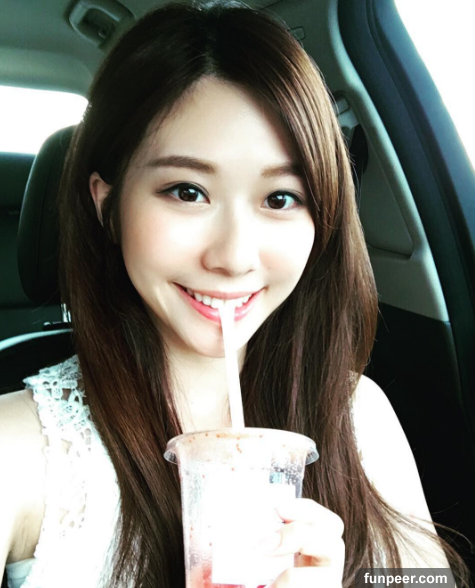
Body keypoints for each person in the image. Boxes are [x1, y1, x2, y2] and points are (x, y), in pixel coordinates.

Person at [0, 1, 472, 587]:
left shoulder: (359, 415)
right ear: (107, 204)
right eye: (187, 191)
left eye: (280, 199)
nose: (233, 256)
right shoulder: (18, 450)